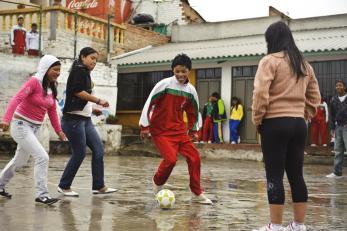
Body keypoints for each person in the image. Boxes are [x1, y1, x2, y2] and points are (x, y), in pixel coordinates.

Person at [251, 21, 321, 231]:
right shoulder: (304, 64)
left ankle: (275, 226)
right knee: (296, 174)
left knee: (274, 174)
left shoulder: (269, 61)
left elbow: (260, 94)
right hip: (299, 125)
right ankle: (298, 225)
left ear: (271, 40)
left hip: (275, 123)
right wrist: (304, 113)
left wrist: (258, 120)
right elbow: (315, 96)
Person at [139, 53, 212, 204]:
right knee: (171, 160)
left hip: (179, 131)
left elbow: (193, 110)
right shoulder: (164, 84)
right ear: (173, 70)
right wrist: (145, 126)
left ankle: (196, 193)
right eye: (177, 71)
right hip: (160, 131)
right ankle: (157, 182)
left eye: (183, 71)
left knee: (195, 158)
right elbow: (149, 103)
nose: (180, 74)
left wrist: (193, 130)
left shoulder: (191, 90)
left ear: (189, 71)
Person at [0, 55, 66, 205]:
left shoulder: (51, 87)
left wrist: (59, 131)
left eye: (59, 70)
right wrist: (6, 119)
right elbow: (16, 99)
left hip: (34, 128)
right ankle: (42, 194)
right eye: (54, 69)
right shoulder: (34, 82)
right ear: (45, 68)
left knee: (20, 161)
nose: (57, 73)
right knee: (43, 157)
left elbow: (52, 111)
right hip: (21, 125)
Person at [57, 47, 117, 196]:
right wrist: (99, 101)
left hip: (85, 119)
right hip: (73, 120)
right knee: (79, 153)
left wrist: (92, 109)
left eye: (96, 59)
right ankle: (64, 185)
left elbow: (79, 97)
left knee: (98, 150)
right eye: (92, 58)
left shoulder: (84, 72)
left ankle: (98, 186)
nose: (94, 61)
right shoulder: (79, 70)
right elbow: (77, 91)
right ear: (83, 57)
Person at [326, 80, 347, 179]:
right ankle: (337, 172)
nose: (338, 87)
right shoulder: (333, 99)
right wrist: (332, 128)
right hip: (338, 127)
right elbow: (331, 115)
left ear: (345, 87)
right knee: (338, 150)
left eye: (340, 85)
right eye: (337, 86)